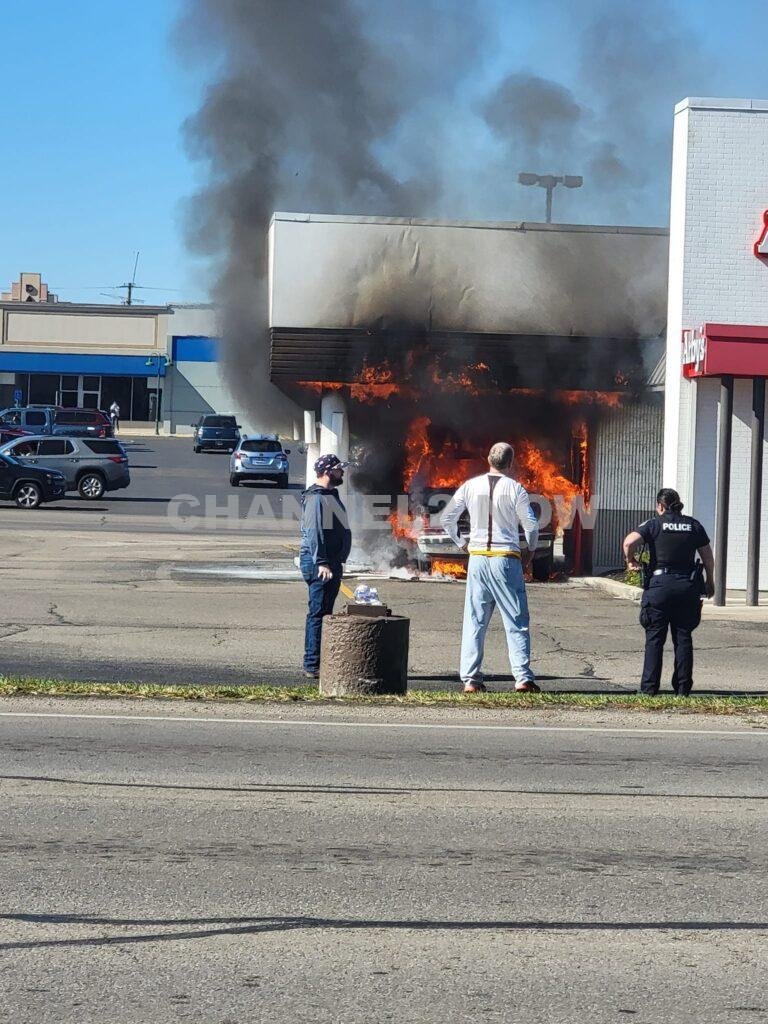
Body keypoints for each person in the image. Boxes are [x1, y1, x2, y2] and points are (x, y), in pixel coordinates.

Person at [440, 442, 541, 694]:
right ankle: (522, 678)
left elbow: (447, 518)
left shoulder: (470, 486)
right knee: (516, 619)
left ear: (488, 459)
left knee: (475, 620)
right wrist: (530, 551)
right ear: (511, 463)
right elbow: (531, 526)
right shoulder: (515, 488)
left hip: (477, 559)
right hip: (505, 558)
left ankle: (471, 680)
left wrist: (462, 543)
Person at [622, 487, 715, 696]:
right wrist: (710, 582)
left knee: (654, 638)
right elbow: (708, 557)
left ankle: (649, 689)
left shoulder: (654, 524)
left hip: (659, 587)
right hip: (687, 587)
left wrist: (631, 560)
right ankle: (682, 689)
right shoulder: (693, 525)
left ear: (660, 506)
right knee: (683, 638)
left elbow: (628, 542)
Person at [299, 454, 352, 678]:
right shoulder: (316, 498)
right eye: (339, 469)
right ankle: (312, 665)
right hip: (320, 564)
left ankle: (322, 662)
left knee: (325, 612)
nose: (342, 472)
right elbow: (314, 532)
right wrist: (321, 562)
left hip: (332, 561)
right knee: (318, 613)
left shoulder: (330, 496)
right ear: (328, 471)